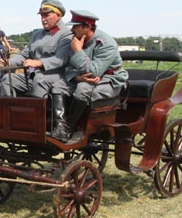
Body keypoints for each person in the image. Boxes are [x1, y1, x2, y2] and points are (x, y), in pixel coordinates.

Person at [51, 10, 128, 142]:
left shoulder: (106, 44)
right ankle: (60, 127)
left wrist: (78, 51)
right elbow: (69, 68)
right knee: (58, 86)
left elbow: (94, 72)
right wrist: (77, 77)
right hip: (82, 78)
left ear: (87, 27)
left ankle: (71, 128)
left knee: (83, 89)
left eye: (76, 26)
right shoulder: (76, 41)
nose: (72, 29)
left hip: (110, 80)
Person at [0, 0, 72, 136]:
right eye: (42, 16)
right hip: (33, 76)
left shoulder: (66, 34)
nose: (43, 19)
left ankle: (36, 124)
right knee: (8, 79)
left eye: (47, 15)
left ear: (58, 15)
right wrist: (9, 63)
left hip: (57, 76)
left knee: (40, 79)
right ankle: (11, 120)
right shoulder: (37, 34)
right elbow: (25, 54)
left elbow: (60, 60)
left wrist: (38, 63)